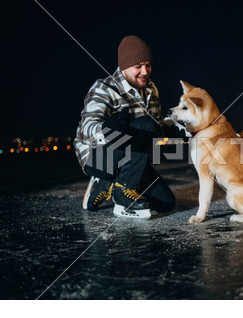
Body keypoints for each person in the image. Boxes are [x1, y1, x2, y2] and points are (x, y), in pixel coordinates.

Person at [74, 35, 182, 218]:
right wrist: (106, 129)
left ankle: (107, 183)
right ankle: (121, 193)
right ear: (124, 67)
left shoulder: (151, 89)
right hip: (99, 156)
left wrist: (174, 128)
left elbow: (156, 125)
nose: (145, 71)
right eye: (138, 66)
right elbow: (87, 127)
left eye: (148, 65)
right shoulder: (104, 87)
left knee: (165, 203)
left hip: (131, 161)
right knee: (145, 124)